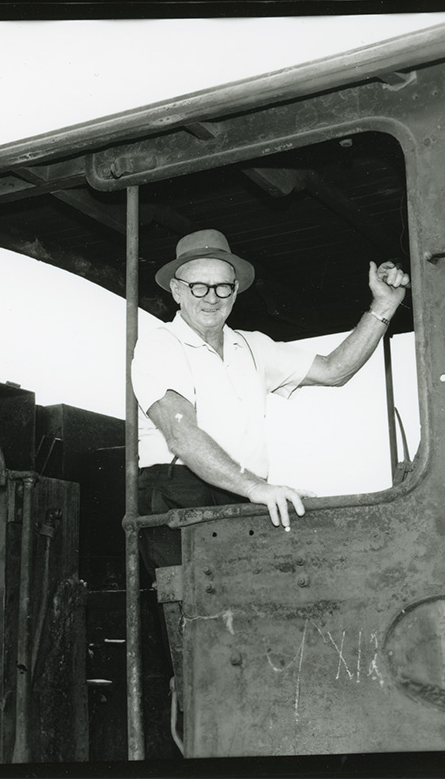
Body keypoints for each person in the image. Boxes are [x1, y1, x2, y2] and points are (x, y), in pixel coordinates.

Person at [131, 228, 409, 571]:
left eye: (222, 287)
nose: (211, 298)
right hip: (179, 494)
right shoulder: (160, 344)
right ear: (176, 290)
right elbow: (182, 436)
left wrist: (384, 305)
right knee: (194, 613)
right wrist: (257, 488)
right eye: (198, 287)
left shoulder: (252, 346)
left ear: (235, 291)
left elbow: (334, 370)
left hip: (241, 493)